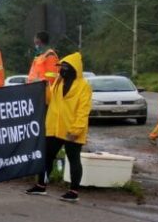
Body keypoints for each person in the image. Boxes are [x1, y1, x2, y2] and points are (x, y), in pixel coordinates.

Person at [26, 52, 92, 203]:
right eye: (60, 67)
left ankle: (73, 191)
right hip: (54, 128)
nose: (61, 70)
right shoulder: (58, 82)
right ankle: (40, 185)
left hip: (72, 130)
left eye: (64, 67)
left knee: (73, 159)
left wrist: (76, 130)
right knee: (47, 157)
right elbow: (50, 100)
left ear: (74, 69)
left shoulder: (83, 87)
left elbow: (83, 111)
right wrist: (42, 87)